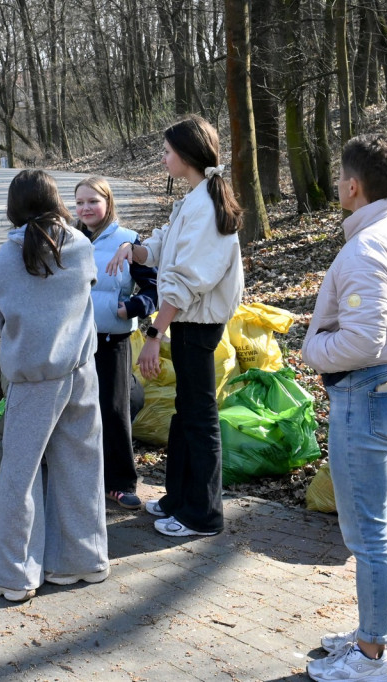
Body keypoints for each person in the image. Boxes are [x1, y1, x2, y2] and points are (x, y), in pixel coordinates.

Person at [301, 134, 387, 682]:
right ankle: (383, 633)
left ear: (353, 186)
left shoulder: (368, 248)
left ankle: (371, 657)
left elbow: (361, 341)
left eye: (339, 178)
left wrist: (312, 351)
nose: (337, 186)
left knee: (369, 534)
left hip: (366, 392)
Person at [106, 115, 243, 538]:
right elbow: (165, 246)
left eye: (166, 152)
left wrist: (154, 335)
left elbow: (185, 280)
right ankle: (178, 500)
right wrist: (136, 249)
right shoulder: (194, 198)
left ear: (184, 155)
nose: (163, 158)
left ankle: (203, 515)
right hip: (190, 323)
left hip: (196, 326)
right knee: (186, 414)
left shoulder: (204, 205)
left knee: (198, 418)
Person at [0, 170, 109, 602]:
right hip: (81, 372)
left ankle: (12, 575)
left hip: (33, 381)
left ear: (12, 208)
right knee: (81, 468)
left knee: (19, 478)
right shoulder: (82, 246)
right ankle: (81, 561)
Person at [74, 176, 158, 510]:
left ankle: (120, 483)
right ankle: (78, 477)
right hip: (72, 340)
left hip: (112, 339)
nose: (85, 208)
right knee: (74, 411)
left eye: (92, 201)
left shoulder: (128, 240)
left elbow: (153, 289)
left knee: (113, 409)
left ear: (108, 202)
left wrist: (129, 308)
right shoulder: (67, 238)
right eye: (80, 202)